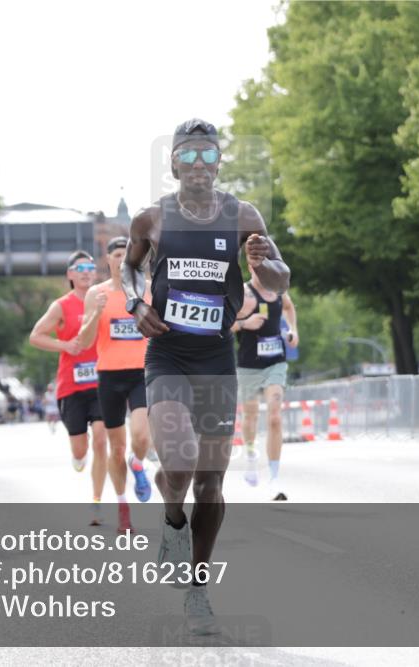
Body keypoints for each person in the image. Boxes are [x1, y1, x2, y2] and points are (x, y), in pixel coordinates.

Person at [122, 119, 290, 634]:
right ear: (174, 163)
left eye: (208, 154)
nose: (199, 164)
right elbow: (129, 268)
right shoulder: (152, 218)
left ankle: (198, 590)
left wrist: (262, 263)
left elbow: (280, 279)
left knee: (212, 482)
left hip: (216, 357)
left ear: (219, 162)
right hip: (168, 354)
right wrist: (135, 303)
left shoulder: (244, 216)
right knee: (179, 461)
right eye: (188, 155)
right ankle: (172, 519)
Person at [77, 236, 154, 533]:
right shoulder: (96, 293)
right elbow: (84, 341)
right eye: (117, 254)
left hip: (141, 372)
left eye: (128, 254)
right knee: (116, 446)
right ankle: (123, 507)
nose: (123, 259)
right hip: (109, 375)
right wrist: (96, 312)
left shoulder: (149, 289)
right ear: (108, 259)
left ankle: (139, 462)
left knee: (141, 435)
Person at [29, 251, 109, 526]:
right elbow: (36, 336)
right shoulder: (61, 305)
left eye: (90, 267)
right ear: (70, 275)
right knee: (80, 449)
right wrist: (63, 345)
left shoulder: (105, 298)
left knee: (101, 439)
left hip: (102, 381)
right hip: (71, 386)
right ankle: (78, 456)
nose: (86, 272)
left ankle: (96, 501)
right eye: (80, 268)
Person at [231, 265, 298, 500]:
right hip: (249, 365)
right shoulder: (242, 292)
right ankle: (251, 454)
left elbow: (289, 307)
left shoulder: (278, 290)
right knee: (250, 417)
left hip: (275, 363)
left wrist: (293, 330)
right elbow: (224, 324)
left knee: (275, 416)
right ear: (250, 266)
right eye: (257, 263)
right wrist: (244, 323)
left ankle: (274, 478)